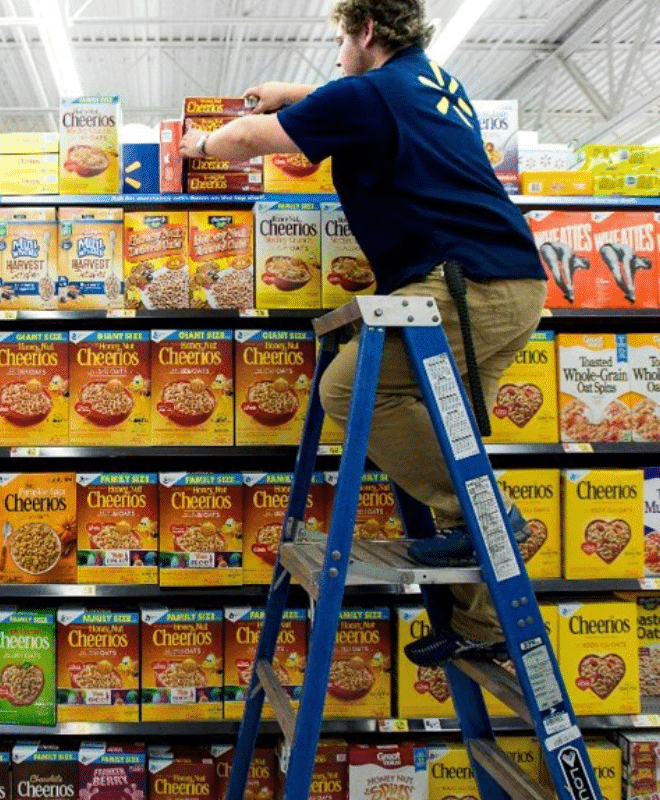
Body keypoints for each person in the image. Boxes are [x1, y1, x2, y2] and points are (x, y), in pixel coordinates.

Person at [178, 0, 547, 667]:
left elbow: (249, 141)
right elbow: (349, 95)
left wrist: (198, 145)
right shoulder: (430, 82)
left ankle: (495, 522)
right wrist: (294, 94)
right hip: (511, 282)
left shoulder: (368, 95)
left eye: (340, 40)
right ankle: (486, 626)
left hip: (465, 287)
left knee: (351, 388)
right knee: (448, 433)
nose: (337, 54)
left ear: (367, 32)